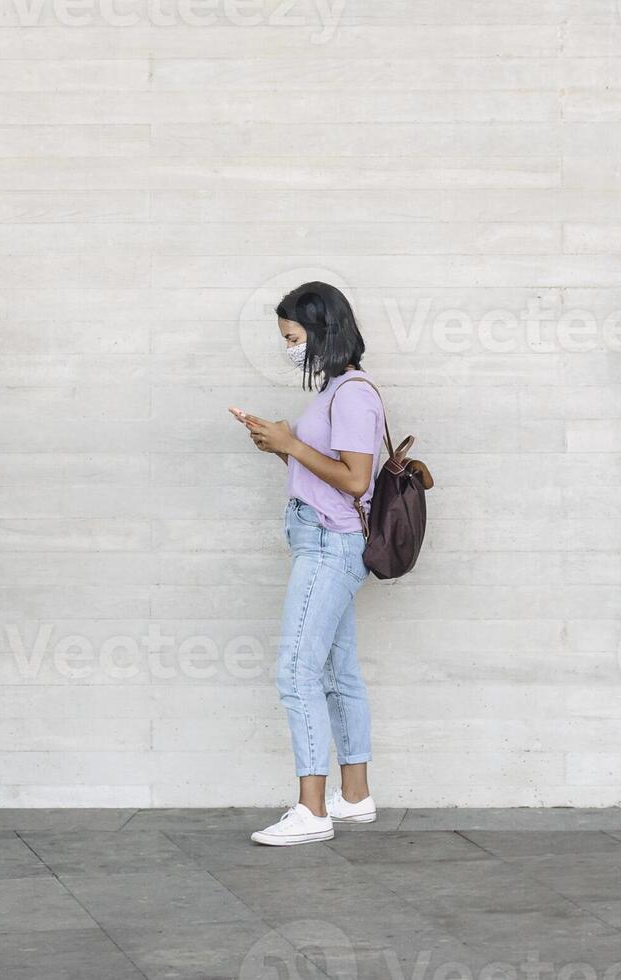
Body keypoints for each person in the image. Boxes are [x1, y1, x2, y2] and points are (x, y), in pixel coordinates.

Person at [233, 282, 386, 846]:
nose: (288, 348)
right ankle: (354, 796)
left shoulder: (351, 394)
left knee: (296, 672)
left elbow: (355, 479)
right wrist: (282, 444)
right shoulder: (337, 390)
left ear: (322, 331)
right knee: (335, 673)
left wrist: (291, 445)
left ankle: (311, 810)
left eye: (292, 338)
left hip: (330, 544)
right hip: (324, 539)